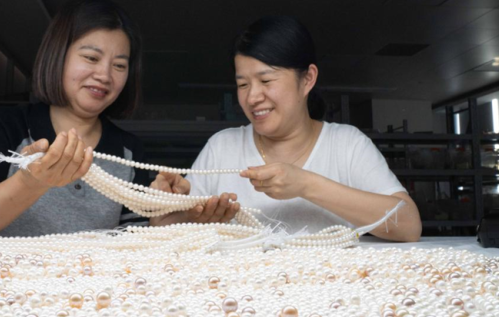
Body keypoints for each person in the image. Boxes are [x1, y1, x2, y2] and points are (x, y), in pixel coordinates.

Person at [152, 16, 421, 242]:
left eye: (266, 80)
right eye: (243, 84)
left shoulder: (346, 144)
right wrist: (167, 207)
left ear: (308, 79)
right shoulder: (222, 147)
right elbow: (163, 232)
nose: (252, 97)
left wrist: (306, 185)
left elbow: (409, 226)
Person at [0, 0, 148, 239]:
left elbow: (135, 239)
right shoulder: (6, 126)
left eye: (119, 66)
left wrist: (168, 216)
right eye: (91, 58)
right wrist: (30, 182)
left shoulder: (129, 152)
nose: (105, 75)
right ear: (58, 55)